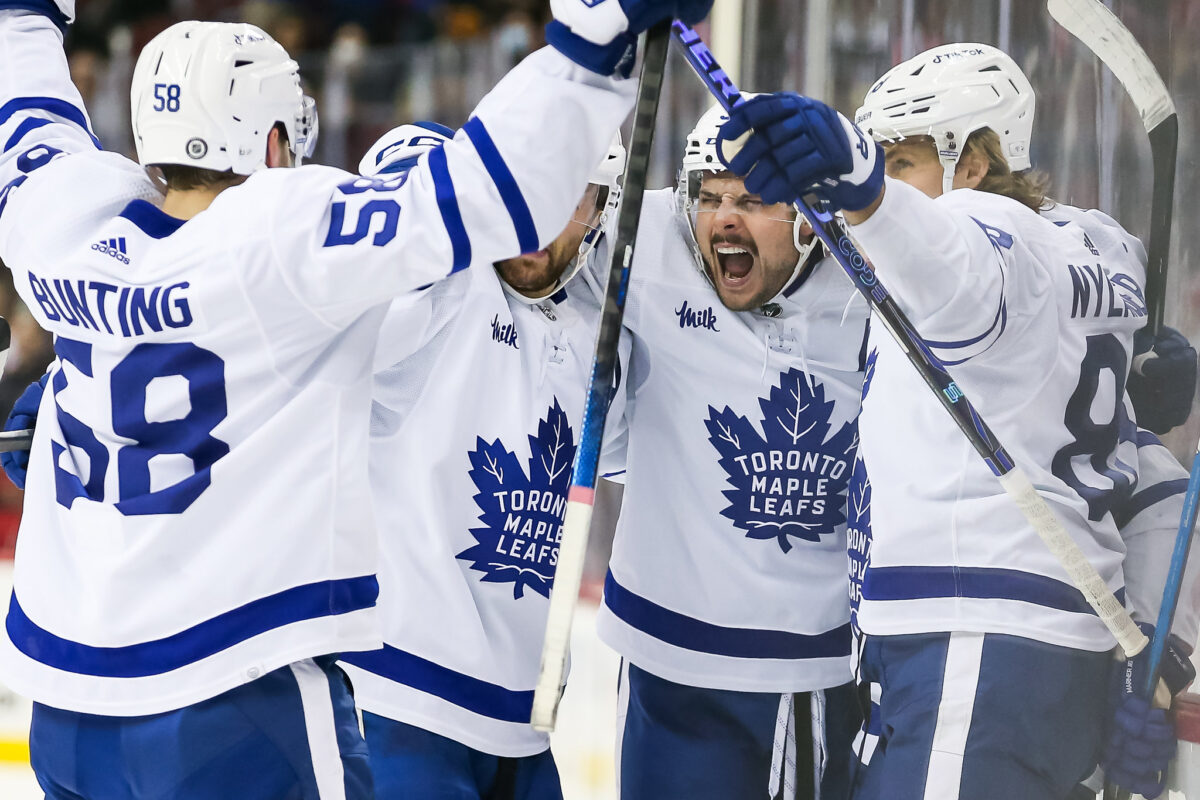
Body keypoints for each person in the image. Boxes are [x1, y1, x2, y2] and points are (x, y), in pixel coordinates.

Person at [0, 0, 710, 795]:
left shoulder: (55, 222)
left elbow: (25, 110)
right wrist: (593, 43)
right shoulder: (281, 240)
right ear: (271, 140)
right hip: (230, 691)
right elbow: (489, 193)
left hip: (64, 701)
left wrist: (26, 15)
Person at [715, 42, 1183, 799]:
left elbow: (954, 267)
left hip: (973, 650)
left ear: (972, 163)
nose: (888, 185)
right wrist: (1158, 662)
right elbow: (1154, 483)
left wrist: (867, 189)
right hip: (1023, 659)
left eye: (904, 162)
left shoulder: (985, 231)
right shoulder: (1076, 246)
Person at [337, 124, 625, 800]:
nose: (539, 216)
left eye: (569, 197)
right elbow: (395, 184)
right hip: (396, 703)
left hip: (522, 732)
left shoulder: (597, 335)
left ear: (601, 212)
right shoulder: (442, 288)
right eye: (529, 188)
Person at [593, 103, 869, 800]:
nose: (722, 218)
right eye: (709, 197)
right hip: (659, 658)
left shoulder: (870, 281)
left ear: (810, 215)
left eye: (752, 200)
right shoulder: (645, 240)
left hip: (795, 675)